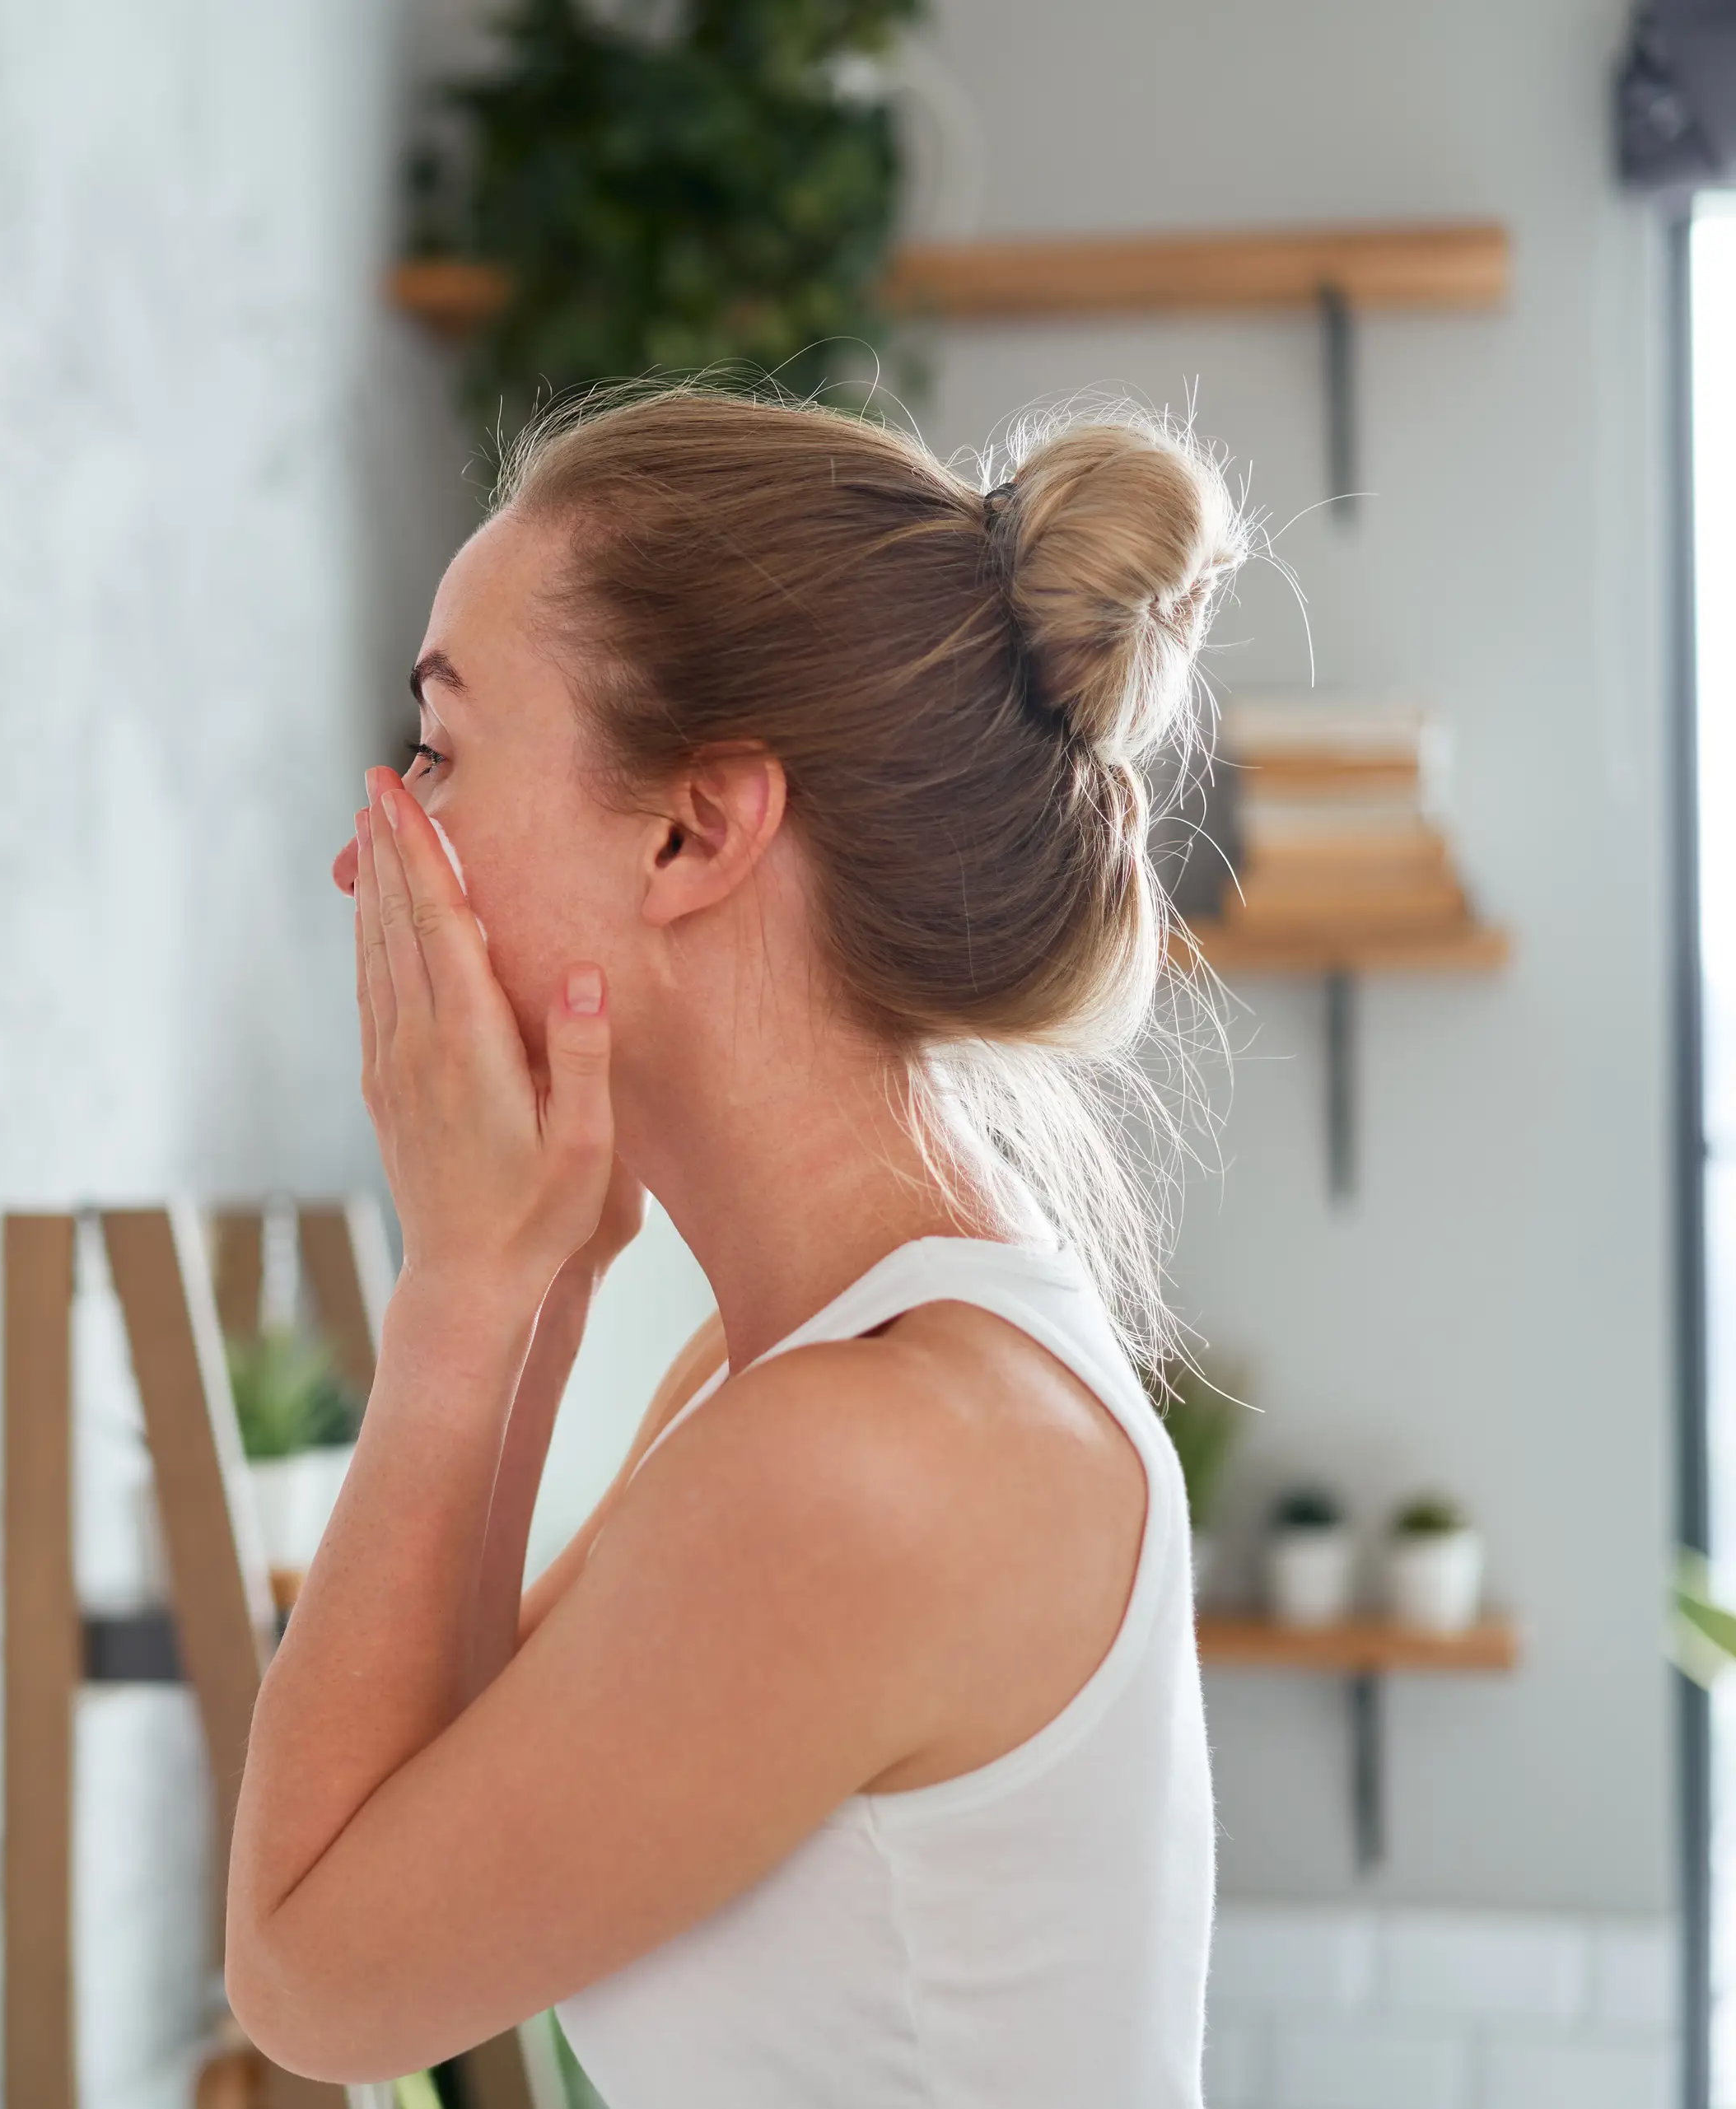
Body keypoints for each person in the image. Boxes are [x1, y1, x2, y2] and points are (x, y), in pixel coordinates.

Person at [226, 384, 1244, 2107]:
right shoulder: (795, 1374)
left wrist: (463, 1293)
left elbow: (318, 1983)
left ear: (693, 831)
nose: (370, 855)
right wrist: (529, 1278)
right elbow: (428, 1823)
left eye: (443, 754)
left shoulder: (863, 1456)